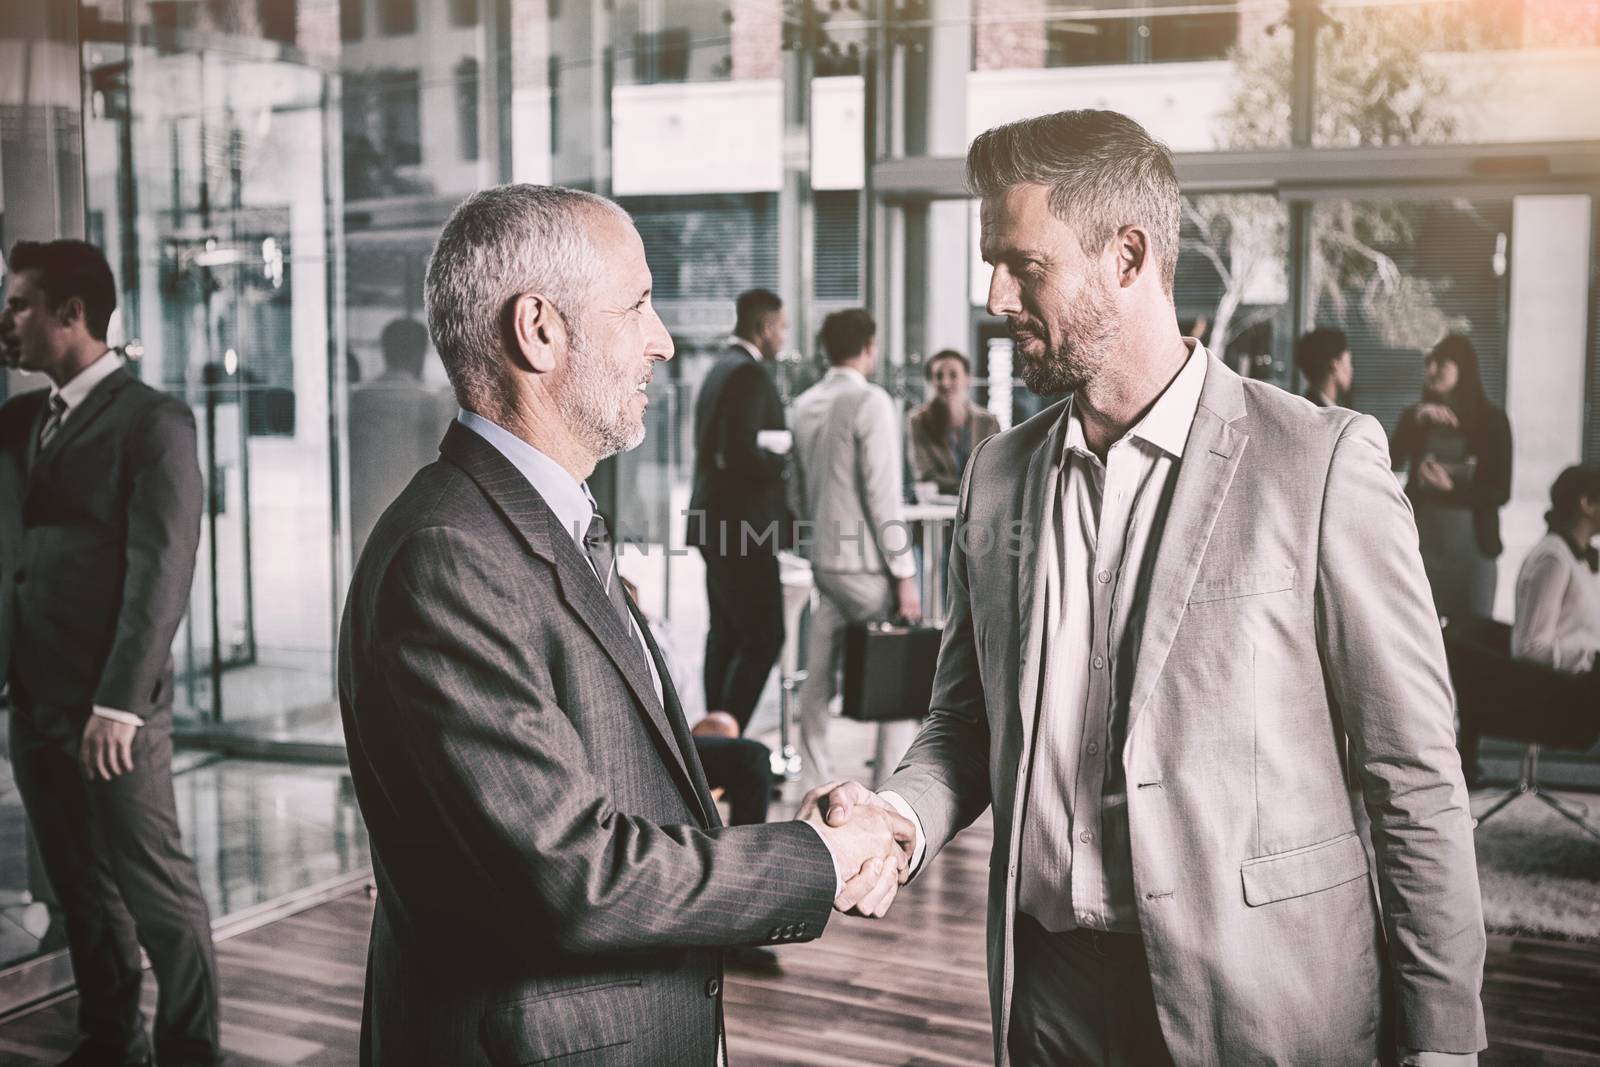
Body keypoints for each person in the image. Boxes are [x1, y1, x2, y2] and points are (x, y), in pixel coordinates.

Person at [804, 110, 1485, 1067]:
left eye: (1022, 264)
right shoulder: (997, 473)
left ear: (1127, 256)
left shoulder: (1321, 462)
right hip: (1048, 998)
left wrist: (1445, 1041)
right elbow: (967, 722)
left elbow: (1412, 772)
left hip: (1266, 1002)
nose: (995, 294)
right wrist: (901, 818)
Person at [337, 185, 911, 1066]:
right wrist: (816, 859)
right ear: (539, 330)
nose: (663, 339)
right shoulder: (448, 559)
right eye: (638, 304)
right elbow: (577, 872)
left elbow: (618, 799)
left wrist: (794, 836)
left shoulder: (538, 526)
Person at [0, 240, 221, 1067]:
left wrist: (120, 702)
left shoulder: (153, 421)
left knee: (157, 895)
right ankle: (109, 1045)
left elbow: (163, 565)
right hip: (33, 701)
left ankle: (191, 1051)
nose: (6, 320)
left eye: (18, 303)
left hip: (113, 710)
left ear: (72, 313)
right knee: (81, 895)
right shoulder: (22, 419)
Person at [788, 309, 922, 790]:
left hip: (824, 560)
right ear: (869, 345)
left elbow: (798, 493)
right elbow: (882, 494)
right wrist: (904, 574)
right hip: (866, 565)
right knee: (899, 670)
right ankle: (893, 788)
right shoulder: (870, 402)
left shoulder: (804, 405)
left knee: (818, 675)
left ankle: (815, 780)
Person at [686, 288, 791, 733]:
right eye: (782, 327)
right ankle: (726, 744)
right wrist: (782, 456)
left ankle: (713, 751)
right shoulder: (748, 374)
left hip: (715, 522)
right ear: (764, 327)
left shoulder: (717, 370)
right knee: (766, 637)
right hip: (743, 526)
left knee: (726, 635)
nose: (783, 337)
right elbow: (740, 453)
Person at [1391, 333, 1513, 622]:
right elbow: (1387, 461)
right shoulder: (1416, 417)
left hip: (1472, 552)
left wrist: (1450, 490)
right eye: (1429, 363)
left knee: (1471, 640)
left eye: (1441, 363)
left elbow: (1500, 492)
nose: (1431, 371)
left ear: (1463, 368)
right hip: (1421, 548)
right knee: (1417, 634)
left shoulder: (1492, 421)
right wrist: (1416, 420)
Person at [347, 316, 453, 556]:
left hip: (364, 510)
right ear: (420, 353)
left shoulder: (361, 400)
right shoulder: (428, 404)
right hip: (414, 513)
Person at [1513, 465, 1600, 675]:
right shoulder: (1554, 558)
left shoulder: (1585, 556)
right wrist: (1593, 661)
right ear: (1586, 504)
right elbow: (1528, 649)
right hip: (1564, 692)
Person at [907, 349, 1001, 496]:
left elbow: (995, 470)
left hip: (980, 505)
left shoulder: (988, 421)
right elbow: (925, 475)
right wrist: (967, 488)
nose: (945, 382)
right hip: (937, 509)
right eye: (938, 376)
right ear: (931, 381)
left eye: (953, 375)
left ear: (967, 379)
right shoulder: (918, 421)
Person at [1295, 325, 1353, 408]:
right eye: (1349, 361)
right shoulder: (1326, 414)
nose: (1351, 369)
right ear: (1335, 365)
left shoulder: (1303, 406)